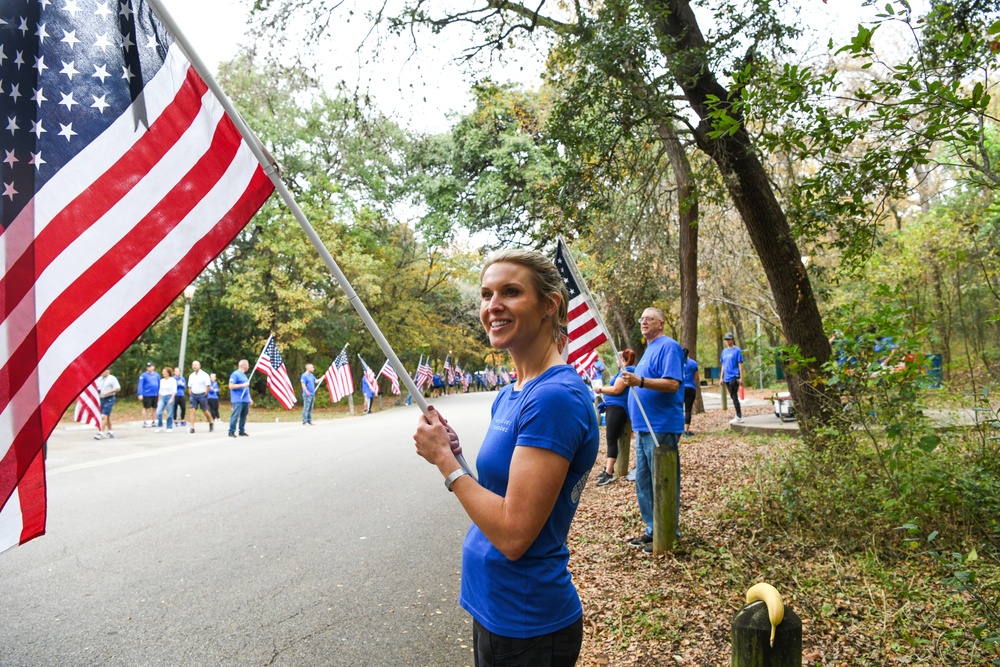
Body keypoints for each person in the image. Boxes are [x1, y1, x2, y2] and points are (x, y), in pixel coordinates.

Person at [412, 249, 598, 667]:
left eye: (510, 292)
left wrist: (446, 462)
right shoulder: (511, 393)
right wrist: (456, 452)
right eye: (486, 294)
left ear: (549, 304)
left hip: (528, 621)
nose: (492, 306)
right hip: (495, 607)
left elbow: (514, 534)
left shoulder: (553, 397)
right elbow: (500, 492)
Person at [621, 307, 684, 553]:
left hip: (661, 425)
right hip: (643, 427)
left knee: (663, 480)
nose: (644, 322)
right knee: (643, 481)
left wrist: (641, 381)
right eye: (642, 318)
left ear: (661, 323)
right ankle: (652, 529)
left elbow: (672, 383)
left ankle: (668, 532)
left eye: (649, 318)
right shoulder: (649, 350)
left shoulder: (669, 346)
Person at [593, 349, 636, 487]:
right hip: (613, 407)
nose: (616, 360)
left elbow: (617, 390)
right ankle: (608, 469)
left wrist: (600, 390)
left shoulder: (627, 370)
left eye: (618, 358)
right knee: (611, 439)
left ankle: (609, 473)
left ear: (624, 359)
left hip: (618, 408)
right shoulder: (623, 371)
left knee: (612, 438)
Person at [720, 332, 744, 423]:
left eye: (729, 339)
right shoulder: (724, 351)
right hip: (726, 377)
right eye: (726, 339)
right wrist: (721, 377)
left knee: (734, 396)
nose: (727, 341)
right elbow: (723, 364)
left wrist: (741, 378)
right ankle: (739, 414)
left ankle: (739, 415)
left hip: (735, 376)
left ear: (733, 340)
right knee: (732, 396)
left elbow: (740, 364)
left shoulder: (737, 350)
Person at [94, 368, 121, 440]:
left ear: (108, 371)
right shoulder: (99, 379)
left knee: (103, 416)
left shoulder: (112, 378)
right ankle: (111, 431)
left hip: (109, 398)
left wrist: (108, 391)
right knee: (107, 416)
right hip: (101, 399)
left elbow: (118, 388)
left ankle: (100, 432)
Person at [187, 361, 213, 433]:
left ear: (199, 366)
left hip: (202, 394)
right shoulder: (191, 376)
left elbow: (208, 385)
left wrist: (205, 393)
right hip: (194, 395)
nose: (194, 366)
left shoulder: (204, 375)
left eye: (196, 365)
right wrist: (190, 394)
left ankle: (210, 422)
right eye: (193, 365)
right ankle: (192, 427)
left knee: (205, 411)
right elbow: (189, 386)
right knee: (192, 410)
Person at [228, 359, 251, 437]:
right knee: (236, 415)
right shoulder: (235, 374)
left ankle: (241, 430)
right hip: (237, 398)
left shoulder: (244, 375)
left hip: (245, 399)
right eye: (247, 365)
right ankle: (231, 431)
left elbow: (246, 388)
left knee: (243, 415)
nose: (248, 366)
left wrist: (249, 398)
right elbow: (231, 386)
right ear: (244, 365)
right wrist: (242, 385)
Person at [682, 348, 700, 436]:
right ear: (688, 354)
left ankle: (678, 429)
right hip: (691, 388)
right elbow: (696, 377)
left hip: (680, 389)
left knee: (679, 409)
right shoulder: (693, 363)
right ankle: (686, 431)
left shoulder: (678, 363)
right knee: (688, 410)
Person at [136, 362, 160, 428]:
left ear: (153, 367)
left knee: (155, 408)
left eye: (150, 366)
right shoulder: (143, 375)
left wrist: (160, 393)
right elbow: (140, 385)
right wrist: (140, 394)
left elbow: (159, 384)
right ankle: (144, 422)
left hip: (155, 394)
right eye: (148, 367)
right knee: (145, 407)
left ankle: (154, 421)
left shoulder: (157, 375)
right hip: (147, 394)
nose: (149, 368)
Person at [154, 366, 176, 432]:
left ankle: (169, 427)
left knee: (169, 413)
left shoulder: (173, 380)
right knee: (158, 411)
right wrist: (158, 400)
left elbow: (174, 391)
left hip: (169, 396)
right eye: (163, 372)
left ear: (168, 373)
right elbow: (160, 391)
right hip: (162, 397)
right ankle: (159, 426)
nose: (163, 373)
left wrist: (172, 399)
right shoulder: (162, 381)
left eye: (165, 372)